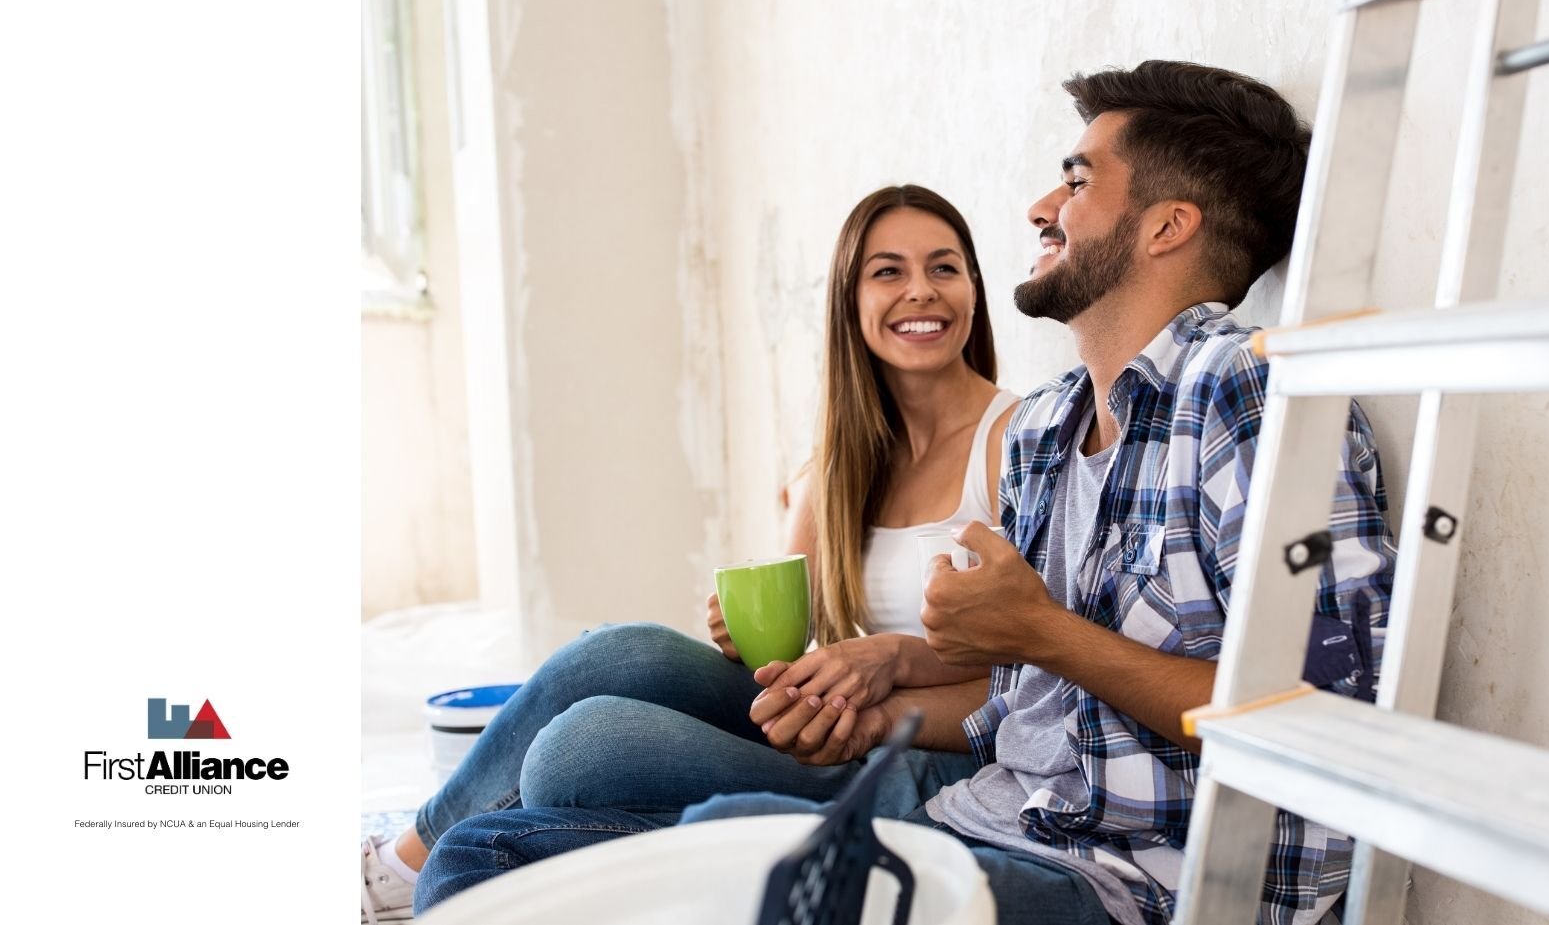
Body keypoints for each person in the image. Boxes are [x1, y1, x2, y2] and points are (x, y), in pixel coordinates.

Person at [413, 61, 1397, 925]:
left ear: (1166, 227)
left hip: (1133, 884)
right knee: (484, 855)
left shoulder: (1246, 394)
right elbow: (1023, 708)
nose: (1039, 209)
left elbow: (1323, 723)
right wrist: (889, 670)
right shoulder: (1055, 429)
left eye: (1078, 180)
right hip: (989, 818)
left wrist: (1036, 633)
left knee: (726, 833)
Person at [360, 184, 1019, 921]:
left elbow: (1040, 671)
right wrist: (752, 639)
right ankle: (397, 865)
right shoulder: (842, 464)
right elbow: (801, 644)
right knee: (618, 653)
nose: (921, 291)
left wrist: (879, 692)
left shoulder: (1017, 440)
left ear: (973, 288)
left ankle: (443, 866)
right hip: (841, 716)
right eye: (888, 271)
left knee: (574, 754)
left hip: (933, 748)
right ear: (849, 300)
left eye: (945, 267)